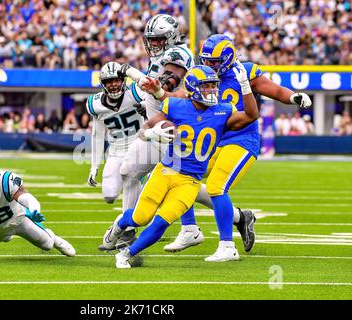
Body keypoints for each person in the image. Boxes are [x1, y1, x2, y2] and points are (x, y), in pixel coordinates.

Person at [141, 34, 312, 253]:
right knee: (180, 172)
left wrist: (293, 97)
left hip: (241, 139)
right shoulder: (205, 74)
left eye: (214, 61)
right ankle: (191, 229)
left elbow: (276, 91)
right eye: (206, 60)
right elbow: (185, 95)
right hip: (215, 140)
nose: (209, 65)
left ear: (228, 57)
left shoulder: (245, 72)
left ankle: (227, 245)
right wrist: (159, 92)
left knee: (215, 187)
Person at [101, 63, 258, 268]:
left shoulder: (223, 111)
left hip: (190, 181)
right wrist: (151, 134)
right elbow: (144, 129)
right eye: (206, 86)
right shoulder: (176, 106)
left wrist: (245, 87)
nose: (212, 90)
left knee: (161, 222)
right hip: (165, 172)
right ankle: (120, 224)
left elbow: (251, 115)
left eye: (213, 86)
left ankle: (126, 254)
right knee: (141, 217)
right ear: (193, 88)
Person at [113, 14, 195, 244]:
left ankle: (236, 216)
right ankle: (128, 231)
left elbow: (162, 87)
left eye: (157, 39)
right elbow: (154, 93)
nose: (153, 44)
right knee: (129, 170)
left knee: (182, 181)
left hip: (174, 129)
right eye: (151, 40)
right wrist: (145, 106)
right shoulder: (164, 56)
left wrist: (129, 72)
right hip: (156, 126)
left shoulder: (178, 55)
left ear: (170, 38)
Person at [86, 62, 146, 250]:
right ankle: (140, 190)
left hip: (140, 144)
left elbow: (157, 101)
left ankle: (127, 231)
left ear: (123, 80)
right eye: (109, 81)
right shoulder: (95, 104)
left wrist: (146, 104)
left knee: (130, 179)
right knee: (109, 195)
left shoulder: (135, 92)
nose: (113, 85)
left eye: (117, 80)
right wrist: (94, 166)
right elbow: (97, 135)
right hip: (116, 150)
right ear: (103, 83)